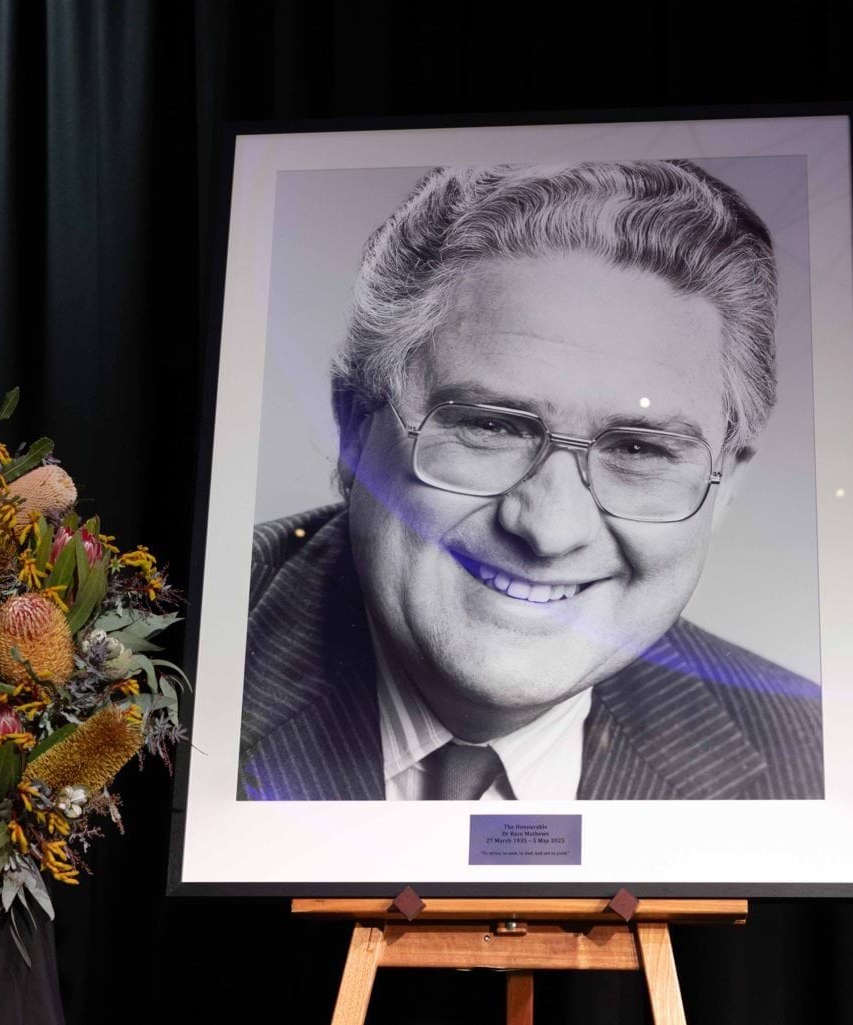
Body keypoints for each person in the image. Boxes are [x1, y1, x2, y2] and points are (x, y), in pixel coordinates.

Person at [238, 160, 823, 801]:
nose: (548, 530)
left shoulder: (807, 758)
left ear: (725, 486)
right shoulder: (153, 679)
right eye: (491, 427)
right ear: (354, 428)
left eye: (638, 448)